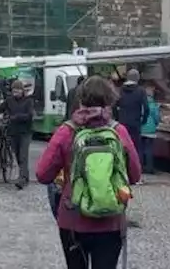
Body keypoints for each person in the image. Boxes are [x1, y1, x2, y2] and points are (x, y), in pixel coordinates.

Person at [36, 76, 142, 269]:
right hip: (111, 221)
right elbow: (135, 175)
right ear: (110, 102)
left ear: (80, 101)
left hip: (73, 221)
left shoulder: (67, 131)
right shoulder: (119, 132)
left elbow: (43, 174)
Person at [0, 79, 35, 188]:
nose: (16, 93)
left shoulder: (28, 101)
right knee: (17, 155)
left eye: (18, 91)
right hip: (12, 132)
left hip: (25, 132)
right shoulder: (9, 100)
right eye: (14, 91)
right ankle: (23, 176)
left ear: (22, 91)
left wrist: (16, 117)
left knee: (23, 156)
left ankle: (22, 179)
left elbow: (30, 115)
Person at [113, 70, 149, 173]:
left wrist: (117, 118)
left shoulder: (120, 90)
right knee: (136, 147)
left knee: (122, 146)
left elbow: (114, 105)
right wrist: (143, 120)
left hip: (122, 122)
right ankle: (137, 172)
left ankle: (123, 169)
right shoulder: (141, 91)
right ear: (137, 78)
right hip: (135, 123)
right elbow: (146, 108)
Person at [139, 82, 160, 175]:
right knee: (149, 149)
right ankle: (150, 168)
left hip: (141, 128)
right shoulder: (153, 104)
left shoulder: (140, 103)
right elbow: (156, 117)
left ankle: (141, 167)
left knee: (141, 148)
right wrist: (156, 124)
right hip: (150, 129)